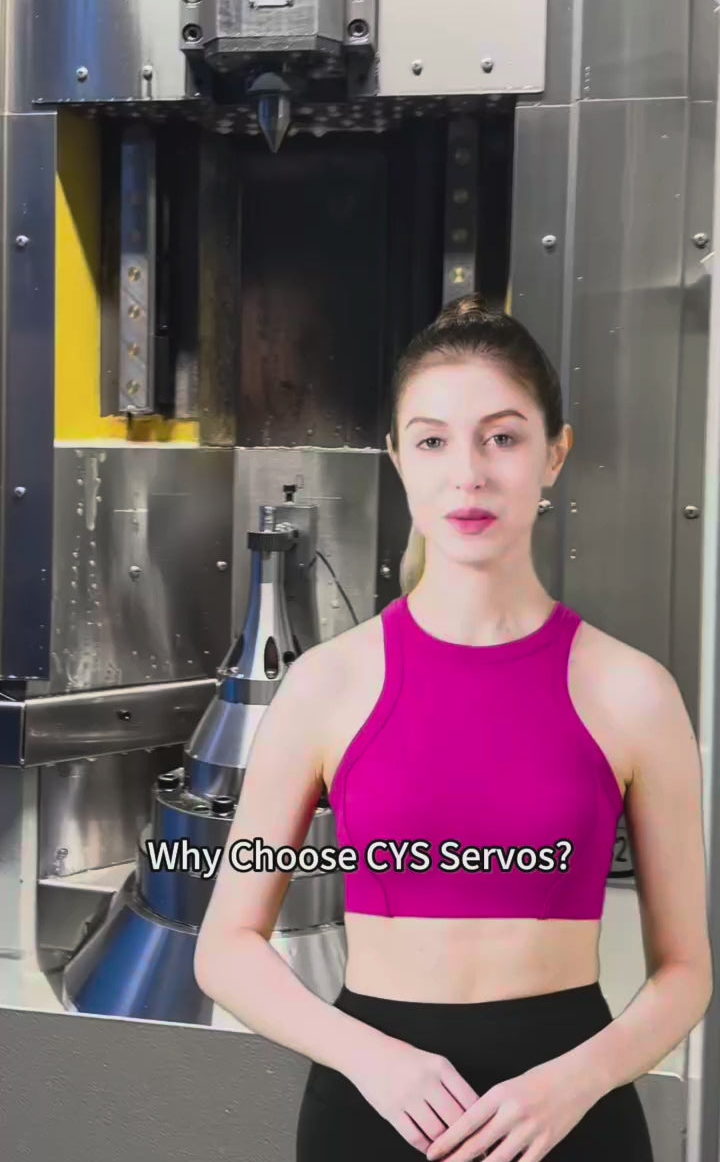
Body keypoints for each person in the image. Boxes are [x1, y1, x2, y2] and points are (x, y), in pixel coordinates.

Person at [194, 294, 712, 1162]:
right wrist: (371, 1059)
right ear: (398, 458)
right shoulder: (326, 686)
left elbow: (687, 970)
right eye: (433, 441)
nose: (468, 474)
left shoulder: (634, 693)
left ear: (555, 455)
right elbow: (225, 948)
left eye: (502, 437)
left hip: (567, 1120)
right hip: (376, 1113)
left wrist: (576, 1080)